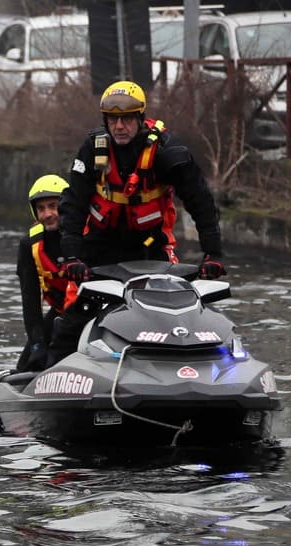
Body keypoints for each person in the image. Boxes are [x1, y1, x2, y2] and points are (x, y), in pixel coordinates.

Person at [48, 80, 227, 365]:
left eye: (127, 118)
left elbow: (201, 202)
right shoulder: (93, 150)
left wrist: (212, 254)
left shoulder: (168, 152)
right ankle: (52, 372)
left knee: (171, 312)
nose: (120, 126)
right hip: (98, 248)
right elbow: (74, 205)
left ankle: (183, 366)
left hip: (150, 248)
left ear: (140, 119)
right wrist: (70, 256)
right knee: (73, 316)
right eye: (113, 119)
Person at [14, 174, 73, 373]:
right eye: (41, 208)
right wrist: (37, 345)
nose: (47, 214)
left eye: (53, 206)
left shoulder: (87, 234)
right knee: (26, 366)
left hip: (92, 313)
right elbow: (30, 302)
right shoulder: (29, 245)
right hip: (60, 312)